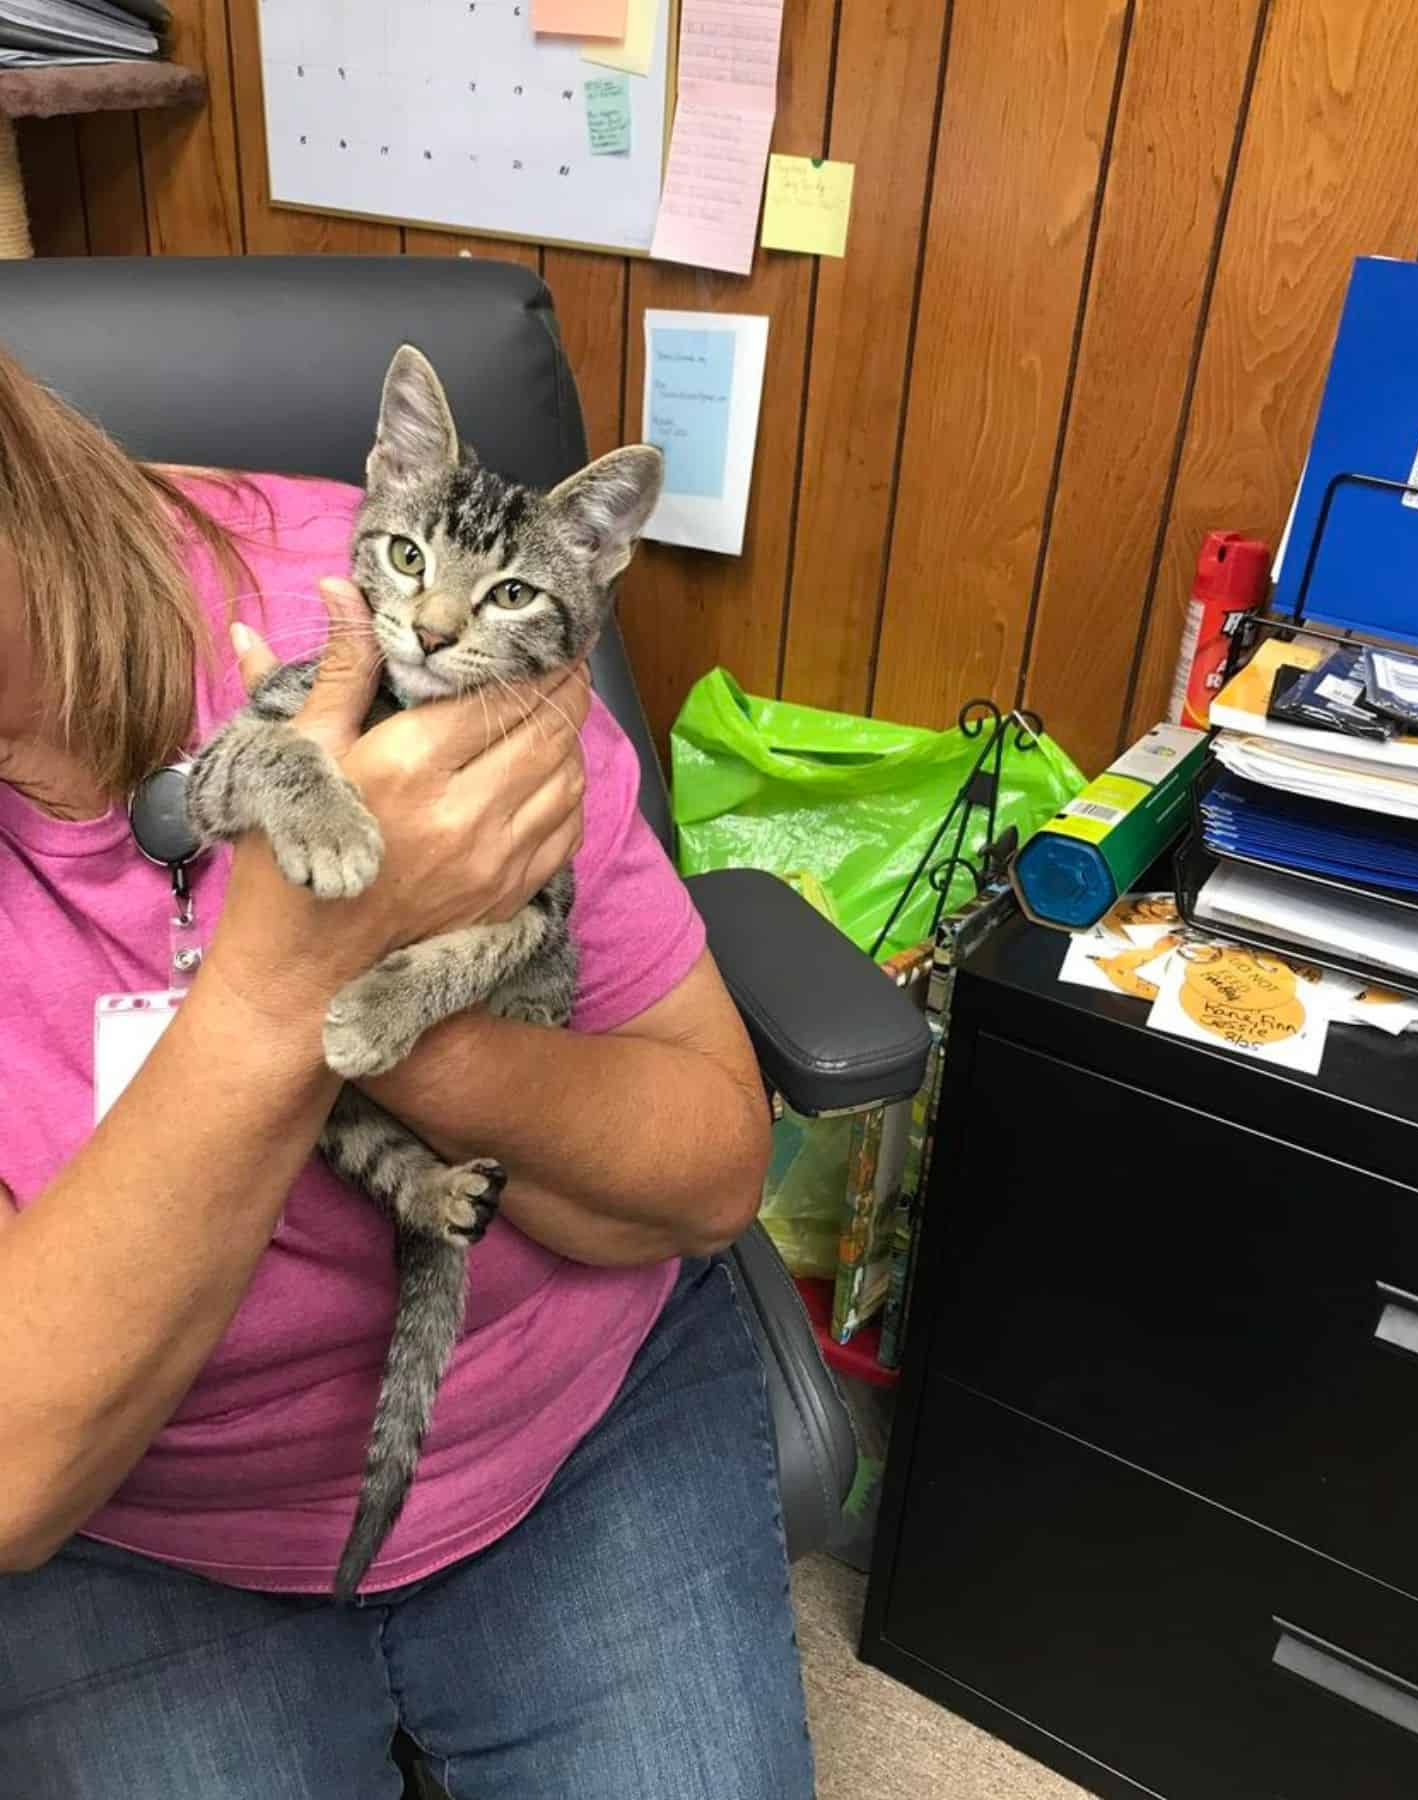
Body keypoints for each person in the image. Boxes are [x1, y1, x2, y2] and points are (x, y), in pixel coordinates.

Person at [0, 346, 815, 1799]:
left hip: (570, 1418)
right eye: (419, 574)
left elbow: (705, 1166)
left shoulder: (359, 593)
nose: (428, 617)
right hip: (144, 1524)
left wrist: (420, 1032)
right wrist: (286, 983)